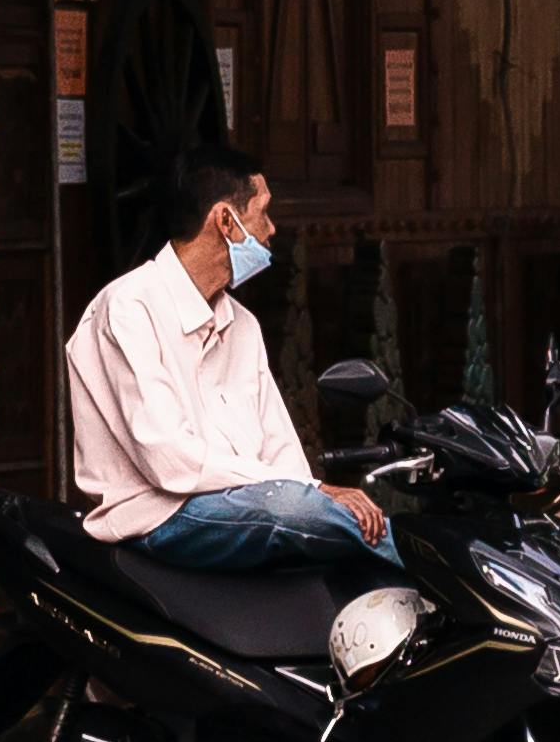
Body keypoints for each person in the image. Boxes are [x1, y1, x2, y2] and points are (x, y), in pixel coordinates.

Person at [64, 145, 399, 568]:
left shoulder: (242, 324)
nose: (272, 230)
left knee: (349, 522)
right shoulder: (130, 307)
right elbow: (171, 461)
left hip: (247, 505)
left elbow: (280, 450)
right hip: (159, 518)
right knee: (312, 517)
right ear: (226, 220)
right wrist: (304, 492)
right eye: (263, 213)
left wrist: (311, 488)